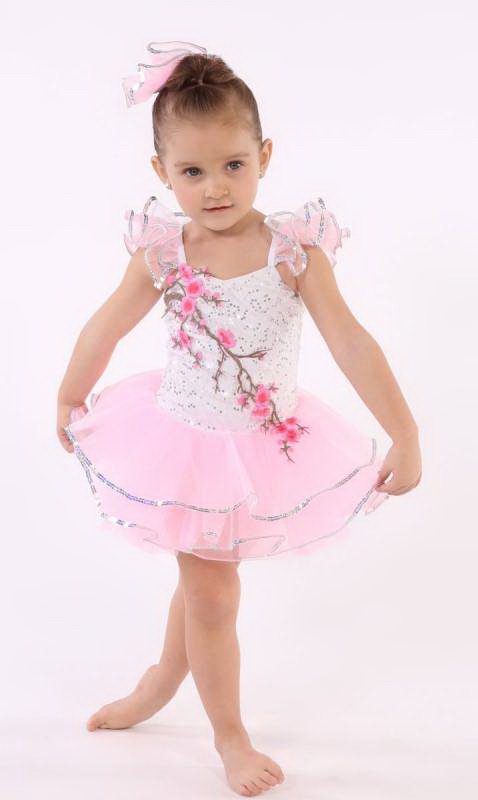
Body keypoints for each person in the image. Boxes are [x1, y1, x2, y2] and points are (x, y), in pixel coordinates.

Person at [57, 41, 422, 797]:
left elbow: (350, 341)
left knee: (205, 587)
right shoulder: (165, 252)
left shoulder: (292, 250)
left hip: (265, 450)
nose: (216, 187)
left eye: (233, 164)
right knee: (214, 594)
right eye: (192, 172)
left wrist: (405, 431)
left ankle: (161, 681)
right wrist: (70, 391)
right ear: (162, 173)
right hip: (183, 445)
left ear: (265, 156)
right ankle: (228, 735)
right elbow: (105, 326)